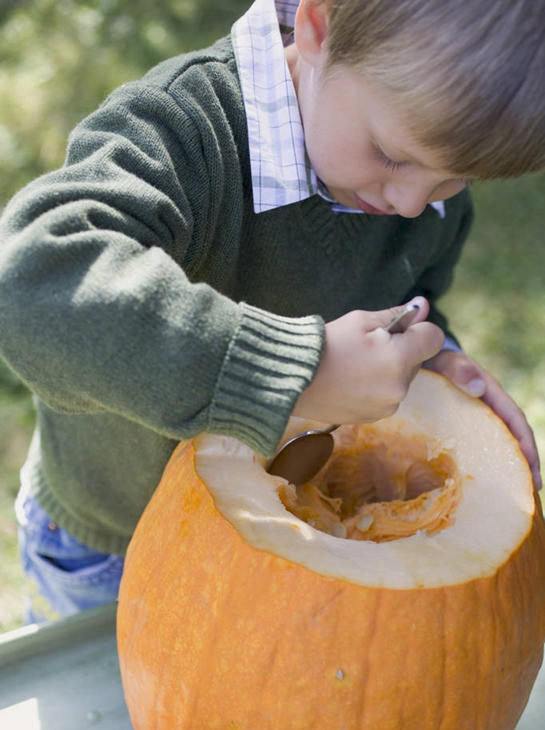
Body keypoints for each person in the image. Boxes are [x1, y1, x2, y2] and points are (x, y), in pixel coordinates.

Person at [0, 0, 543, 624]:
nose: (415, 203)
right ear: (318, 26)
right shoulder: (188, 131)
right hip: (113, 543)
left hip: (297, 568)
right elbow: (34, 284)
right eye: (392, 155)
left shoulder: (419, 184)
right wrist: (296, 372)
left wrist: (434, 359)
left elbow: (412, 297)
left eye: (457, 180)